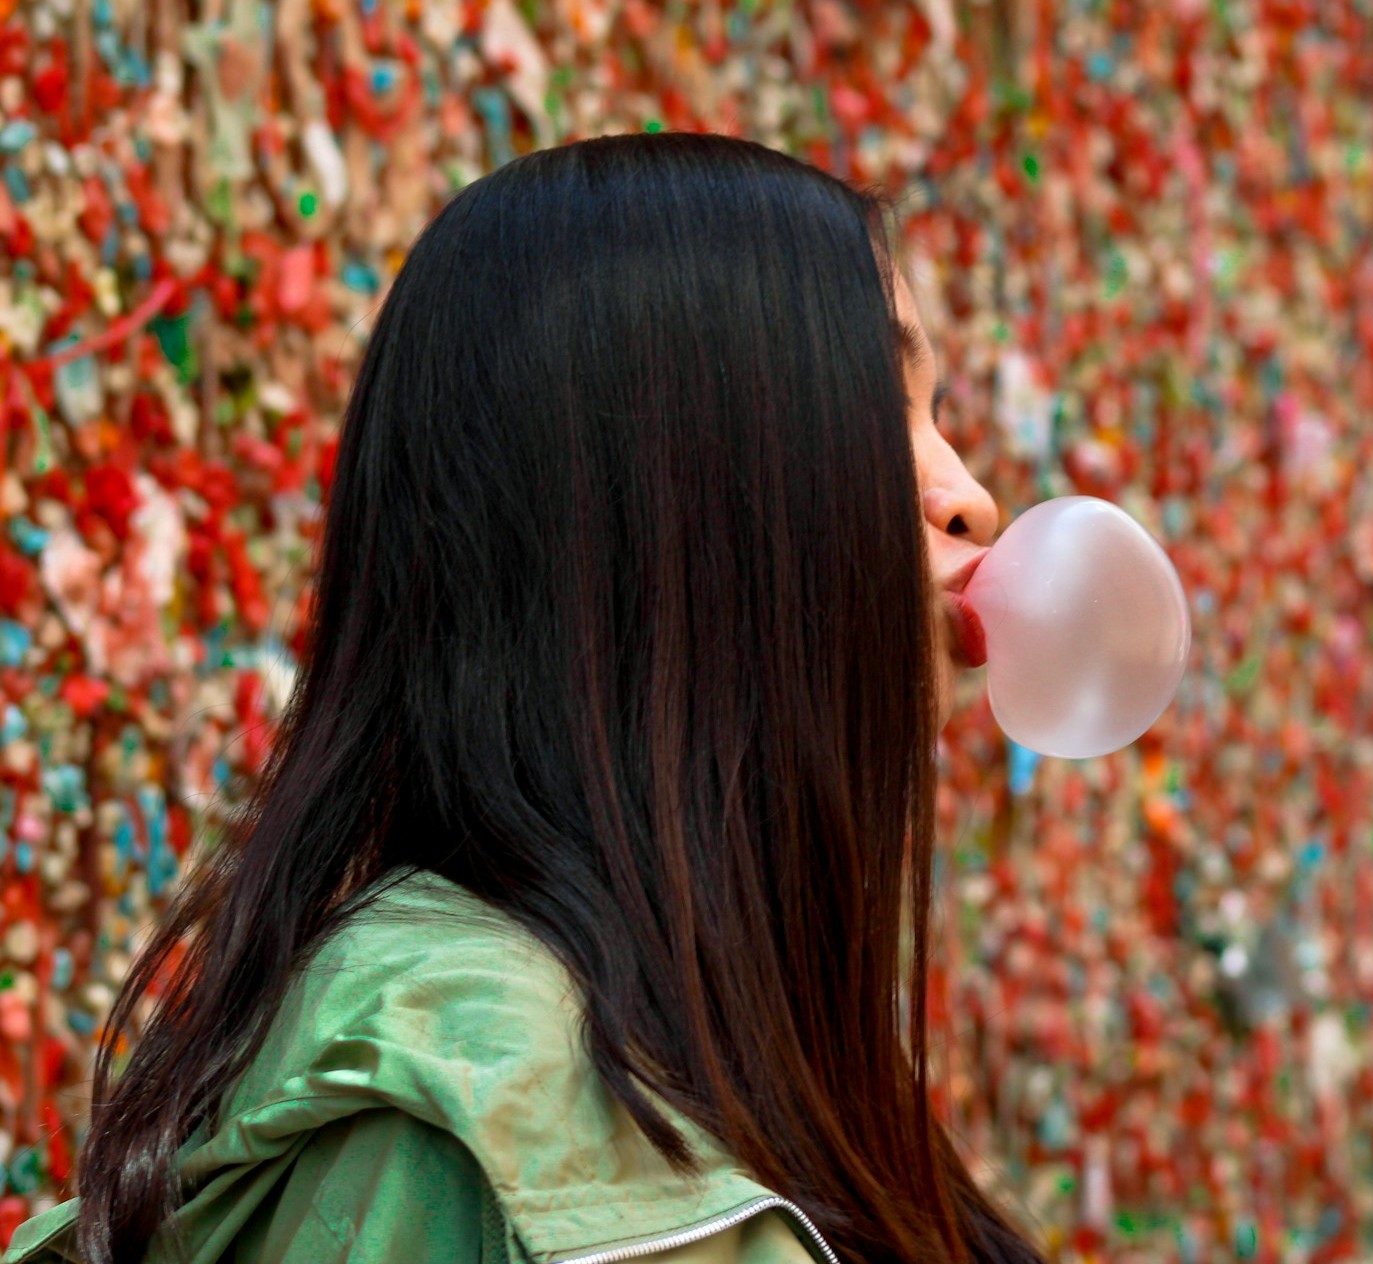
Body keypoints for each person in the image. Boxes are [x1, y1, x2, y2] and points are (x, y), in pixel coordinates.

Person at [4, 132, 1043, 1264]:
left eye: (937, 416)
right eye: (880, 405)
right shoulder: (444, 1126)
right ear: (672, 497)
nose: (972, 498)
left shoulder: (746, 1077)